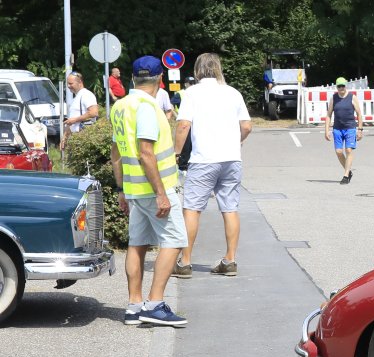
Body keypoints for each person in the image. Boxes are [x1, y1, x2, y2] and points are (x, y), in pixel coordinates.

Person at [109, 56, 188, 328]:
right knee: (175, 240)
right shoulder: (147, 107)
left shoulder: (120, 106)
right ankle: (154, 305)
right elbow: (146, 153)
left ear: (132, 79)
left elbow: (116, 153)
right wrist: (161, 193)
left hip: (133, 189)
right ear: (160, 80)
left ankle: (134, 306)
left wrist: (121, 188)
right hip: (154, 189)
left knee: (137, 243)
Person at [173, 53, 251, 278]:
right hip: (231, 159)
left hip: (203, 159)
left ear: (198, 70)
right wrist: (236, 142)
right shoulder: (233, 92)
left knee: (192, 209)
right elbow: (247, 126)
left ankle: (185, 263)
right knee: (230, 208)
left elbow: (183, 125)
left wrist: (176, 153)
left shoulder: (192, 93)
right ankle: (230, 260)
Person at [323, 77, 363, 185]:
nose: (341, 88)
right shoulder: (334, 98)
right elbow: (328, 115)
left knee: (349, 150)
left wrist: (360, 129)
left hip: (350, 128)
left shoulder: (352, 97)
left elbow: (359, 114)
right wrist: (326, 130)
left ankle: (345, 175)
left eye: (342, 86)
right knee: (339, 152)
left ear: (346, 86)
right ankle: (348, 171)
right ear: (336, 87)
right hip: (337, 128)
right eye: (339, 86)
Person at [63, 71, 100, 144]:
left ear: (80, 82)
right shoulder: (76, 98)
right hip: (76, 138)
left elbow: (94, 112)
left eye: (71, 83)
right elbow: (71, 121)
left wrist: (75, 120)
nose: (68, 86)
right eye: (67, 83)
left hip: (85, 138)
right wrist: (64, 137)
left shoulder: (86, 95)